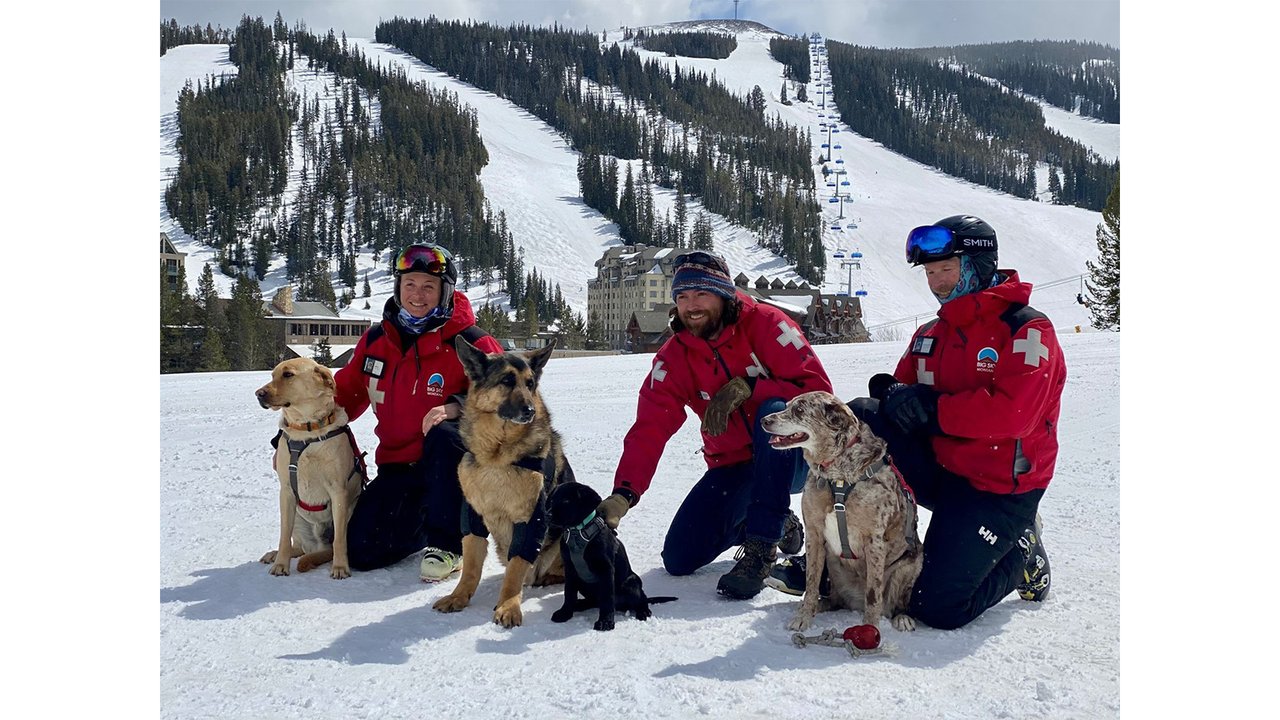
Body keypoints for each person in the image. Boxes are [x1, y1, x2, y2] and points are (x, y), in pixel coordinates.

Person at [768, 215, 1065, 630]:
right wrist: (892, 392)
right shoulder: (931, 333)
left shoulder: (1026, 329)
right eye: (929, 273)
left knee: (935, 606)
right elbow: (900, 394)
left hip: (995, 487)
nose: (937, 282)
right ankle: (831, 553)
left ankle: (1019, 551)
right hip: (943, 468)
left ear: (979, 266)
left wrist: (933, 407)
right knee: (862, 419)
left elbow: (1014, 415)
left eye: (946, 269)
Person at [596, 251, 834, 599]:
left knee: (775, 409)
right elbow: (650, 427)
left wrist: (752, 388)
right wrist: (625, 493)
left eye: (700, 294)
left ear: (723, 293)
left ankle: (761, 546)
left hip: (794, 457)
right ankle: (778, 521)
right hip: (734, 466)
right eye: (682, 297)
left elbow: (819, 394)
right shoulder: (674, 357)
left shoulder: (768, 325)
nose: (690, 305)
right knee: (679, 558)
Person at [333, 242, 503, 580]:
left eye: (429, 286)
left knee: (443, 433)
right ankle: (427, 520)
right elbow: (344, 396)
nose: (418, 295)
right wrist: (302, 417)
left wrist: (457, 406)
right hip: (399, 468)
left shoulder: (473, 342)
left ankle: (451, 543)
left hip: (459, 470)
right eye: (409, 284)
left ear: (445, 291)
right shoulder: (377, 341)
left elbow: (510, 404)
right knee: (361, 551)